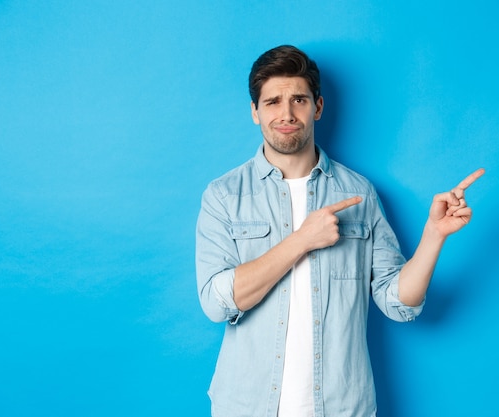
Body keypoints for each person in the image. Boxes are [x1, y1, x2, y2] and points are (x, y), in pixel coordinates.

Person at [196, 45, 484, 417]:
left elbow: (398, 304)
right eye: (272, 102)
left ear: (317, 107)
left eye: (298, 99)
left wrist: (434, 234)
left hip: (342, 408)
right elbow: (217, 303)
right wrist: (303, 240)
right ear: (255, 112)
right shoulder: (223, 195)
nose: (286, 113)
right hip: (246, 406)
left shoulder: (359, 193)